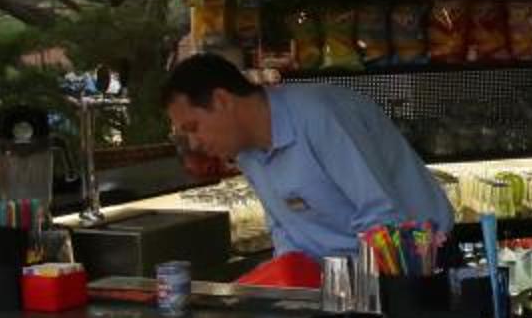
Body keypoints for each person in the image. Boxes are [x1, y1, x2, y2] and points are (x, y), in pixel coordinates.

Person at [159, 53, 453, 270]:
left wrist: (359, 293)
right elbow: (285, 230)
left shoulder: (320, 115)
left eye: (193, 127)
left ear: (222, 100)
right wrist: (290, 286)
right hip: (338, 282)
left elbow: (382, 215)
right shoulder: (246, 153)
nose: (194, 143)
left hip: (415, 264)